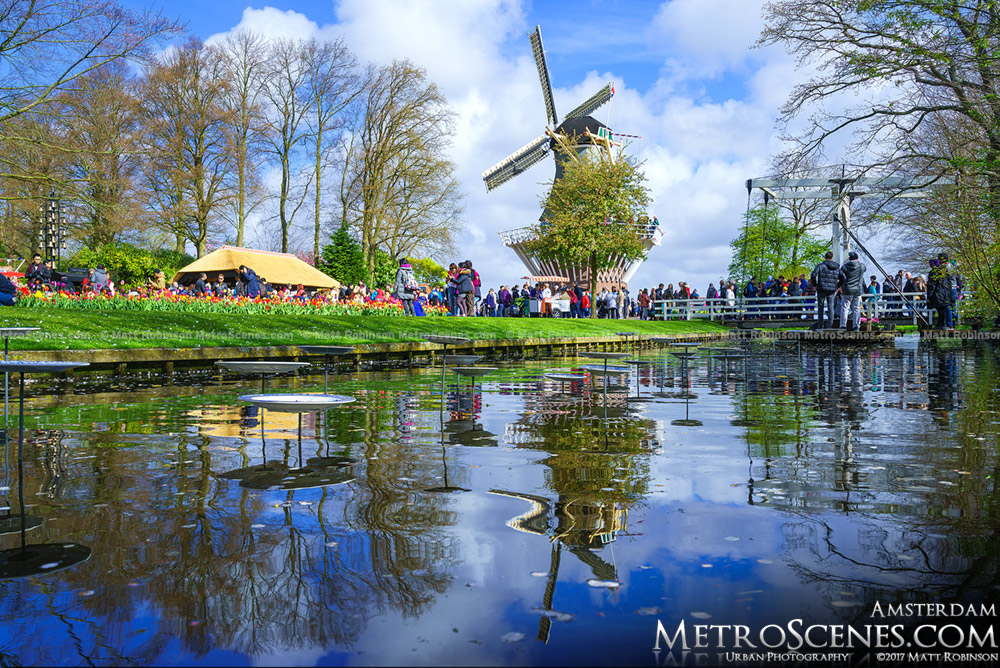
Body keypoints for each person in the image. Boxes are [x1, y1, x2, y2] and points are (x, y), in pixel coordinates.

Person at [838, 251, 867, 331]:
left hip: (847, 290)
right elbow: (865, 268)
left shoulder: (844, 267)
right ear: (857, 259)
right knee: (856, 308)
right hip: (857, 290)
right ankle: (856, 326)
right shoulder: (861, 266)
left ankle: (843, 325)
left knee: (845, 308)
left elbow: (840, 277)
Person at [810, 252, 840, 329]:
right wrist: (837, 286)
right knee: (831, 306)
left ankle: (820, 326)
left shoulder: (820, 266)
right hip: (832, 289)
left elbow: (813, 275)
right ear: (832, 257)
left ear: (824, 257)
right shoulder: (837, 267)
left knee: (820, 307)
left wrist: (815, 285)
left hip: (821, 288)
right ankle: (830, 326)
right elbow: (843, 277)